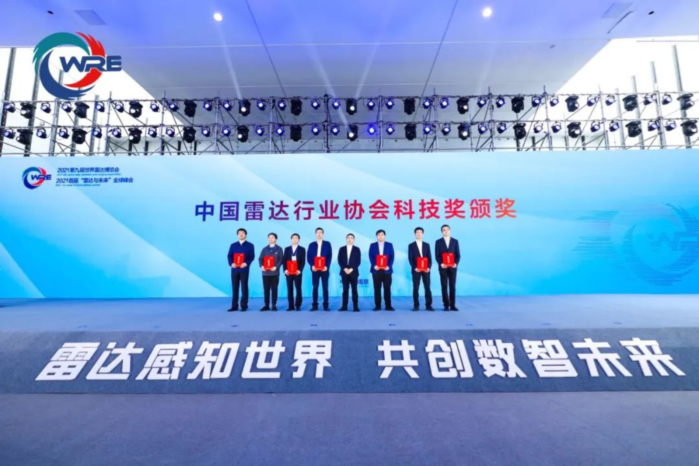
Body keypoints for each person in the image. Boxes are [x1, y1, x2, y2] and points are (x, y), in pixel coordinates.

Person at [227, 228, 255, 312]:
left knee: (244, 287)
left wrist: (246, 263)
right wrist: (231, 263)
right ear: (237, 235)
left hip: (244, 269)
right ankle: (234, 306)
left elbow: (252, 256)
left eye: (243, 233)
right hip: (234, 269)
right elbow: (229, 256)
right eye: (239, 233)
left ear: (245, 234)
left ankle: (244, 306)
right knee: (234, 287)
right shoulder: (233, 245)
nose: (241, 234)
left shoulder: (250, 245)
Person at [435, 224, 461, 311]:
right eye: (444, 230)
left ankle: (452, 305)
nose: (445, 231)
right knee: (444, 286)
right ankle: (446, 304)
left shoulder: (455, 241)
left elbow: (458, 255)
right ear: (441, 232)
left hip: (452, 267)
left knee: (452, 286)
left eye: (447, 229)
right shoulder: (438, 242)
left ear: (450, 231)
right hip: (443, 267)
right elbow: (437, 255)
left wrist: (456, 263)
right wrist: (441, 263)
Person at [408, 227, 434, 311]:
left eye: (420, 232)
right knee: (416, 288)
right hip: (416, 270)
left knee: (427, 287)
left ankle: (428, 305)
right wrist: (414, 268)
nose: (419, 234)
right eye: (417, 232)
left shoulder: (427, 245)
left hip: (426, 269)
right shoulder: (411, 245)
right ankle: (416, 305)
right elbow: (410, 258)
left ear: (423, 234)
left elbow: (430, 258)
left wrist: (428, 268)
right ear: (415, 234)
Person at [307, 227, 332, 311]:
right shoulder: (311, 245)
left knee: (325, 287)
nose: (319, 234)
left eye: (320, 232)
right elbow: (309, 257)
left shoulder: (327, 244)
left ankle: (326, 305)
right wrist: (312, 266)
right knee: (315, 287)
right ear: (315, 234)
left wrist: (327, 266)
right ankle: (315, 305)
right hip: (315, 269)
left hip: (324, 269)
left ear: (323, 234)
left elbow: (329, 256)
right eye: (317, 232)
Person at [369, 229, 395, 311]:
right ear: (376, 236)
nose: (380, 236)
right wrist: (374, 265)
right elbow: (370, 256)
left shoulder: (389, 245)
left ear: (385, 236)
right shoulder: (372, 245)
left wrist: (389, 266)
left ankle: (388, 306)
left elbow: (392, 257)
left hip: (387, 270)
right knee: (377, 288)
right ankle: (377, 306)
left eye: (382, 235)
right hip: (376, 270)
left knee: (387, 288)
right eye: (379, 235)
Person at [258, 232, 284, 311]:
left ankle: (274, 305)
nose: (270, 239)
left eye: (272, 237)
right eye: (269, 237)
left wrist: (276, 267)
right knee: (266, 290)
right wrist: (261, 266)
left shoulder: (279, 249)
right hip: (265, 273)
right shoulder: (264, 249)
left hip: (274, 273)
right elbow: (260, 259)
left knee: (274, 289)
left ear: (276, 239)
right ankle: (266, 305)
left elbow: (281, 259)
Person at [337, 233, 361, 312]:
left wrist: (352, 269)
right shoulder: (342, 249)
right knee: (345, 290)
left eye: (351, 238)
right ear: (346, 239)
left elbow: (358, 261)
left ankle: (355, 306)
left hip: (353, 272)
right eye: (348, 238)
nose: (349, 239)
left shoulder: (357, 249)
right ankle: (344, 306)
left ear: (354, 240)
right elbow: (339, 260)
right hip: (344, 272)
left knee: (354, 290)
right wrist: (344, 268)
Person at [283, 233, 306, 311]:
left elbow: (303, 261)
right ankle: (291, 306)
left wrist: (300, 270)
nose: (295, 239)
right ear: (291, 239)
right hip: (289, 272)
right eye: (293, 238)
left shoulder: (302, 249)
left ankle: (298, 305)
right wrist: (285, 270)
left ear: (299, 239)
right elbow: (284, 260)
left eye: (296, 238)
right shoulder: (287, 249)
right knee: (289, 289)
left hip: (297, 272)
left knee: (298, 288)